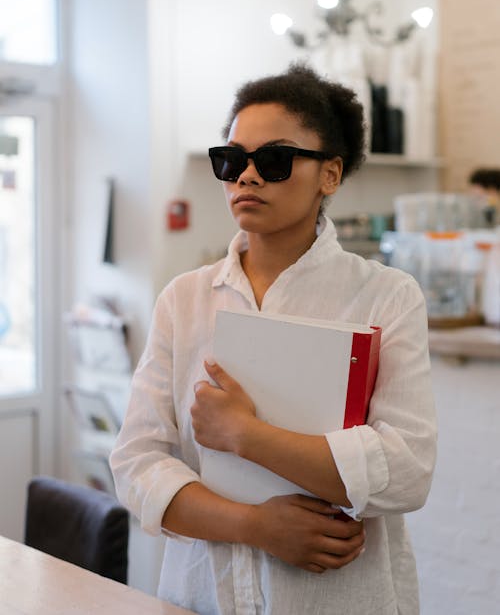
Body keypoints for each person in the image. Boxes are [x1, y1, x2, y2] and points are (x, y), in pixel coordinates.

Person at [110, 64, 437, 615]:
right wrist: (257, 526)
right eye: (233, 160)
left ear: (329, 175)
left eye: (275, 159)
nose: (247, 177)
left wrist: (244, 434)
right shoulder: (185, 299)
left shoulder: (386, 296)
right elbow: (138, 465)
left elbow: (406, 473)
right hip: (202, 596)